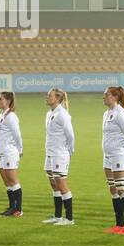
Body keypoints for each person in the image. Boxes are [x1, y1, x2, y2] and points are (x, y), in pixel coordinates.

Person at [101, 86, 124, 234]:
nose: (103, 97)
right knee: (113, 189)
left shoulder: (121, 114)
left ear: (114, 97)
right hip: (108, 156)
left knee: (122, 188)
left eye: (106, 95)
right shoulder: (107, 113)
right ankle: (119, 223)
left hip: (119, 155)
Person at [42, 88, 76, 225]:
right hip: (50, 153)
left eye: (49, 95)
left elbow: (70, 135)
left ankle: (69, 218)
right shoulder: (49, 113)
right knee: (53, 184)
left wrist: (69, 151)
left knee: (61, 185)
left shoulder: (63, 114)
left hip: (59, 154)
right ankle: (57, 215)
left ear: (57, 98)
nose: (47, 97)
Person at [0, 92, 24, 216]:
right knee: (6, 181)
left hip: (9, 152)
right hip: (1, 152)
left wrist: (20, 149)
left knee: (12, 180)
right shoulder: (1, 115)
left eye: (1, 99)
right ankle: (12, 206)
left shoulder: (11, 116)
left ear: (8, 101)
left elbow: (17, 134)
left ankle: (18, 209)